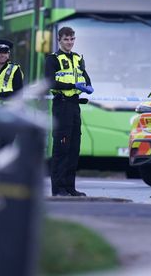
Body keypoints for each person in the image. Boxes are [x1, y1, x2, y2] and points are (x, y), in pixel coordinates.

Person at [45, 27, 93, 197]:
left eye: (72, 39)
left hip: (74, 105)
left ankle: (69, 187)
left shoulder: (78, 58)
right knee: (61, 148)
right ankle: (58, 189)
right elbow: (50, 82)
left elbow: (84, 76)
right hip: (62, 105)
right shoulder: (53, 59)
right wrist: (73, 86)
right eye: (66, 39)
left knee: (73, 148)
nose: (70, 42)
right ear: (59, 40)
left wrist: (87, 85)